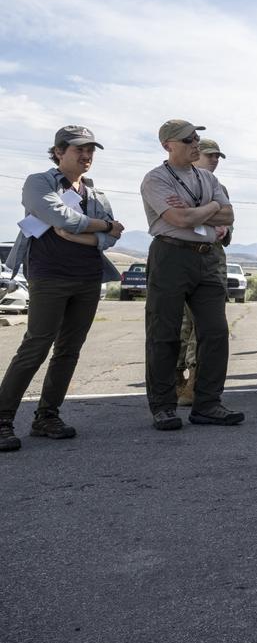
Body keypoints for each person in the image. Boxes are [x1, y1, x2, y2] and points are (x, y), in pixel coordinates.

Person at [0, 126, 124, 453]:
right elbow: (61, 216)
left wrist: (86, 235)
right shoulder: (38, 183)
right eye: (78, 150)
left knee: (69, 349)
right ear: (58, 152)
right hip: (49, 275)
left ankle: (47, 417)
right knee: (36, 345)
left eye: (90, 151)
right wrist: (103, 226)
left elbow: (111, 238)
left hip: (87, 276)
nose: (86, 156)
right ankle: (2, 420)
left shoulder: (96, 194)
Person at [139, 119, 243, 431]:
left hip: (208, 259)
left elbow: (229, 213)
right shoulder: (155, 179)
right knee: (164, 333)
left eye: (196, 138)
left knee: (215, 332)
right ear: (167, 145)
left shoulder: (207, 179)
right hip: (171, 255)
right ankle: (163, 406)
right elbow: (178, 218)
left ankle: (208, 404)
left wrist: (200, 209)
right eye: (187, 139)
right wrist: (210, 208)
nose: (195, 143)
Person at [176, 137, 230, 406]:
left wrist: (203, 217)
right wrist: (210, 215)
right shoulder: (177, 182)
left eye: (218, 156)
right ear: (195, 155)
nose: (215, 160)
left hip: (211, 262)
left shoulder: (219, 187)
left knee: (205, 326)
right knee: (178, 325)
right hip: (179, 259)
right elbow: (178, 219)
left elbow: (227, 221)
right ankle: (175, 380)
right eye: (210, 155)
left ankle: (195, 384)